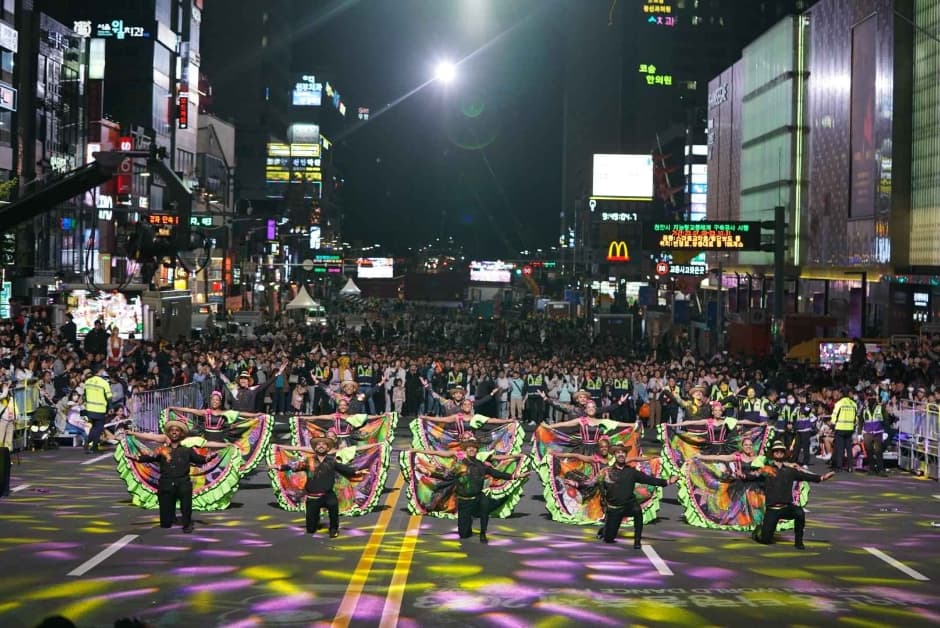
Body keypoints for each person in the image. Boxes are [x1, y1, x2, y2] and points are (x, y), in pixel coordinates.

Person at [573, 444, 677, 547]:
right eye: (618, 452)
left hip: (629, 505)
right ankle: (605, 530)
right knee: (609, 539)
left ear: (626, 455)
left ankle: (637, 541)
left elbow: (649, 480)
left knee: (637, 510)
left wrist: (668, 481)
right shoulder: (606, 472)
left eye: (623, 452)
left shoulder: (631, 472)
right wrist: (576, 484)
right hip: (614, 508)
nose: (621, 454)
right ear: (615, 455)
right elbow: (591, 482)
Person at [126, 420, 218, 533]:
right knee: (165, 523)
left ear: (181, 434)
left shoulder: (187, 450)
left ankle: (187, 524)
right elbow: (150, 457)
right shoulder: (161, 450)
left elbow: (200, 460)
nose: (174, 432)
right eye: (172, 430)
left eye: (177, 430)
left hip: (183, 482)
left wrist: (209, 458)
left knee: (186, 506)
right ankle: (169, 518)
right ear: (168, 434)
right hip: (166, 483)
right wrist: (136, 458)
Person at [741, 440, 835, 549]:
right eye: (776, 451)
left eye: (781, 451)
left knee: (799, 513)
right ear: (772, 453)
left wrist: (822, 478)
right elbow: (752, 475)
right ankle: (758, 532)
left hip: (787, 507)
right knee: (766, 540)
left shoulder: (790, 471)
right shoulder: (766, 469)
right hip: (772, 510)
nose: (779, 452)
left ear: (784, 453)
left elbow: (805, 476)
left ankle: (798, 542)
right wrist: (742, 475)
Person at [271, 434, 364, 538]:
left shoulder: (332, 462)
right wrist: (279, 467)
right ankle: (315, 521)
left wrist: (357, 471)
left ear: (328, 448)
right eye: (318, 444)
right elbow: (294, 465)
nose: (321, 446)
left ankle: (333, 529)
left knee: (333, 509)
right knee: (310, 529)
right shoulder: (308, 461)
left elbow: (345, 469)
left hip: (328, 495)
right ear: (315, 448)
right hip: (312, 497)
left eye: (324, 444)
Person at [83, 369, 113, 454]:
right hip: (100, 409)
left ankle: (87, 443)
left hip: (90, 409)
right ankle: (94, 447)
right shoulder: (104, 383)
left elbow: (84, 395)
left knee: (94, 427)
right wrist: (111, 407)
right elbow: (109, 397)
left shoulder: (88, 381)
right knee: (98, 428)